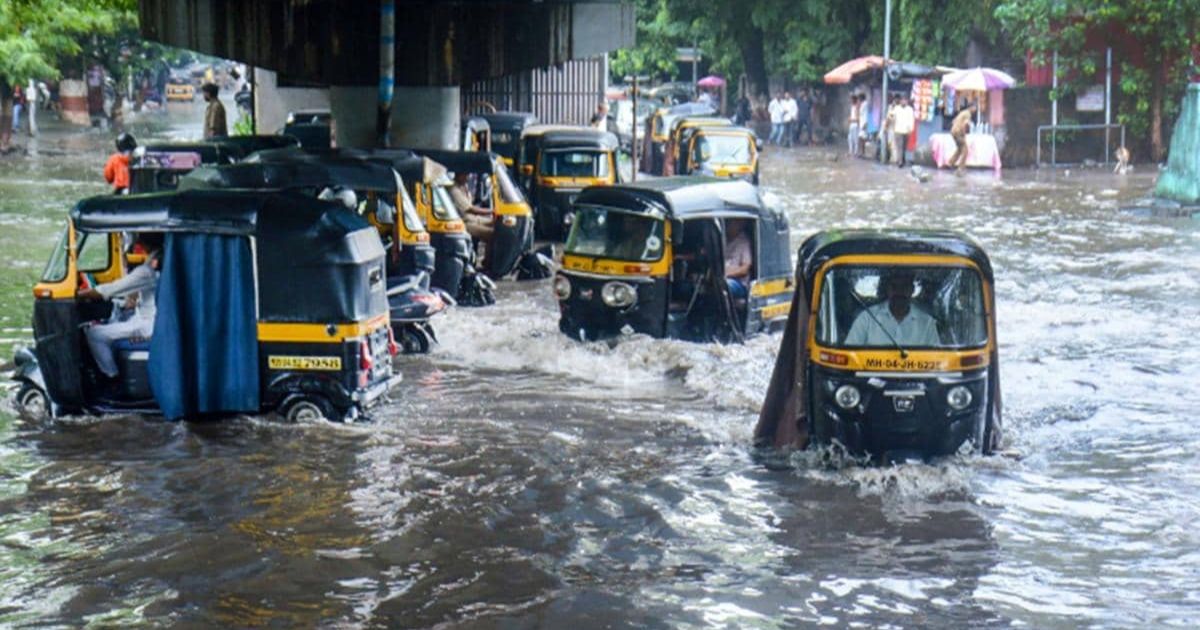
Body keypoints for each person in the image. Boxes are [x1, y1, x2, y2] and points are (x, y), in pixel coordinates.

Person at [79, 236, 162, 381]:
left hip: (148, 325)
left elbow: (110, 289)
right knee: (113, 319)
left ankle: (111, 378)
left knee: (95, 334)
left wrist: (78, 295)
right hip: (146, 317)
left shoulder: (145, 271)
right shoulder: (156, 262)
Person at [844, 269, 940, 347]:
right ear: (887, 289)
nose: (899, 292)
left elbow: (937, 361)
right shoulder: (867, 318)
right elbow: (849, 351)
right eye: (894, 286)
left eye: (904, 287)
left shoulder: (927, 323)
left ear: (912, 290)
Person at [449, 172, 493, 243]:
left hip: (473, 218)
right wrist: (491, 211)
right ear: (459, 175)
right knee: (492, 233)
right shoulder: (454, 189)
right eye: (465, 175)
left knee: (495, 223)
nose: (467, 177)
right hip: (464, 222)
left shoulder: (464, 186)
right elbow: (470, 209)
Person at [723, 220, 752, 299]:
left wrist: (726, 274)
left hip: (738, 283)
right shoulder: (722, 239)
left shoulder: (744, 242)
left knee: (724, 286)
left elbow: (745, 269)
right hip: (720, 278)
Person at [948, 102, 976, 174]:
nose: (975, 109)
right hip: (958, 132)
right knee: (965, 150)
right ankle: (960, 167)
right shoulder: (968, 114)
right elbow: (965, 124)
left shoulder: (962, 113)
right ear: (971, 107)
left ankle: (951, 162)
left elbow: (953, 121)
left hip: (953, 131)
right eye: (974, 107)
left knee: (960, 149)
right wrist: (963, 133)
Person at [892, 96, 915, 168]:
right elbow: (892, 116)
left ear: (907, 101)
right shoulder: (896, 108)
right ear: (900, 101)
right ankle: (900, 161)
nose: (903, 102)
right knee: (899, 146)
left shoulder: (910, 110)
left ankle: (903, 159)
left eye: (905, 100)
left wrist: (911, 129)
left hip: (906, 131)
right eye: (902, 100)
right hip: (898, 130)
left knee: (904, 147)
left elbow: (911, 120)